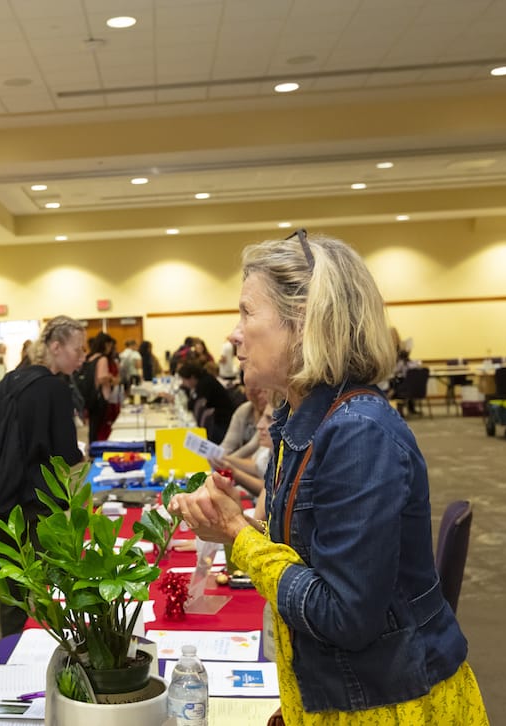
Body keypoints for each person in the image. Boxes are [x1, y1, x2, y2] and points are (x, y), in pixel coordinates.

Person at [169, 231, 488, 724]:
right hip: (340, 694)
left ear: (303, 325)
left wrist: (237, 535)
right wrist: (228, 525)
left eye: (247, 313)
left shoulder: (358, 434)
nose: (233, 334)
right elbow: (312, 558)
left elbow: (344, 615)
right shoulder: (300, 422)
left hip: (388, 706)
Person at [0, 315, 86, 635]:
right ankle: (49, 645)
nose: (82, 357)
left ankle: (11, 642)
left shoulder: (10, 380)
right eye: (78, 349)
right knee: (48, 582)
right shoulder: (53, 388)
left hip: (4, 494)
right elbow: (65, 454)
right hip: (40, 499)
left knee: (13, 578)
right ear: (56, 347)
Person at [176, 362, 239, 444]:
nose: (183, 383)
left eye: (184, 380)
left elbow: (191, 405)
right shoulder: (204, 380)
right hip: (219, 419)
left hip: (222, 422)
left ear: (192, 377)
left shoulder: (205, 384)